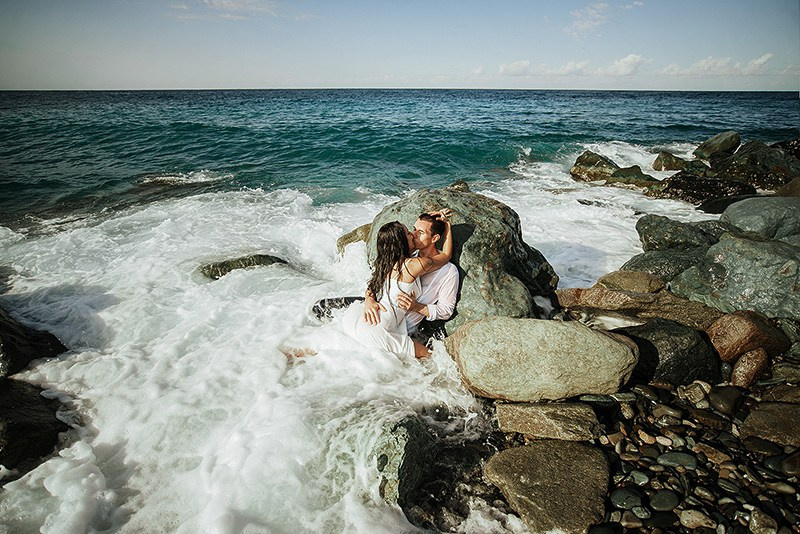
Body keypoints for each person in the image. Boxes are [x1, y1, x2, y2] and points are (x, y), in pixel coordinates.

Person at [340, 210, 453, 358]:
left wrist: (369, 300)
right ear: (402, 242)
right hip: (379, 328)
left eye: (417, 231)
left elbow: (372, 285)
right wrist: (448, 226)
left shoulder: (386, 262)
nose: (413, 234)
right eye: (409, 232)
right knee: (432, 358)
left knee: (346, 355)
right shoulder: (414, 264)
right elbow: (445, 256)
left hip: (356, 316)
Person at [362, 212, 458, 340]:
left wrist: (417, 307)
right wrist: (369, 300)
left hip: (399, 333)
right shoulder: (407, 257)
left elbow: (446, 310)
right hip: (376, 316)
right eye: (413, 229)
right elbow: (376, 280)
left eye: (421, 232)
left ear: (434, 238)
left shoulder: (448, 271)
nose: (413, 234)